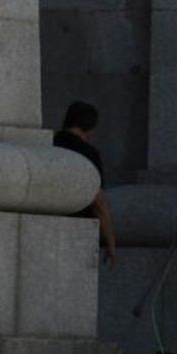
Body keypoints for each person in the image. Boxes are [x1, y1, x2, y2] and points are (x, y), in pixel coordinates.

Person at [52, 101, 120, 268]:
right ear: (90, 129)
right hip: (77, 231)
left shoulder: (48, 144)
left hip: (46, 226)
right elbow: (98, 201)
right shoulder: (88, 153)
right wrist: (110, 241)